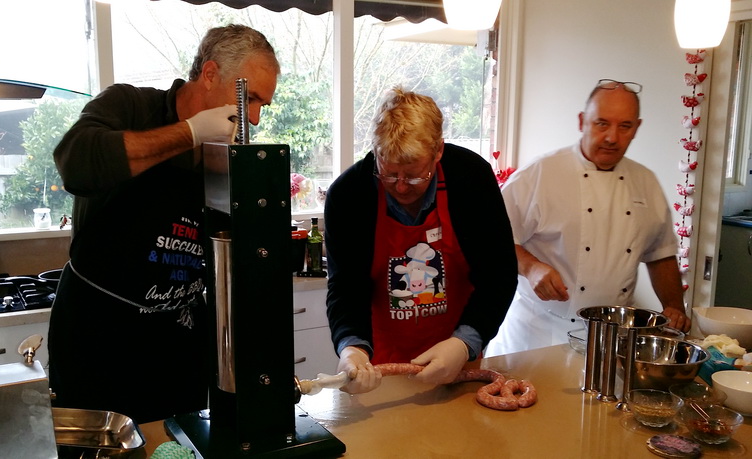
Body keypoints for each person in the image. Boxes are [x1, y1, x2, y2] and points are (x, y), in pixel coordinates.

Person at [47, 24, 280, 423]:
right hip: (98, 335)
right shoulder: (130, 106)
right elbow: (75, 161)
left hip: (179, 337)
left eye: (262, 105)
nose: (254, 118)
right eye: (250, 99)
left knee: (179, 444)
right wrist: (189, 134)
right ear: (209, 75)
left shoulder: (228, 153)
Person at [324, 87, 518, 393]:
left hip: (458, 356)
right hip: (381, 366)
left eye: (415, 175)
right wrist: (351, 347)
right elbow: (346, 287)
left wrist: (464, 342)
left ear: (438, 151)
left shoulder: (471, 179)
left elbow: (499, 274)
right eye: (389, 174)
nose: (401, 187)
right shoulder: (348, 195)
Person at [484, 79, 691, 357]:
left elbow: (660, 254)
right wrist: (532, 267)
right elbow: (493, 239)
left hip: (613, 339)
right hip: (539, 336)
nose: (612, 137)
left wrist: (675, 307)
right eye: (601, 123)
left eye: (624, 126)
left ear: (636, 129)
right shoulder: (540, 174)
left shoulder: (646, 182)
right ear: (582, 121)